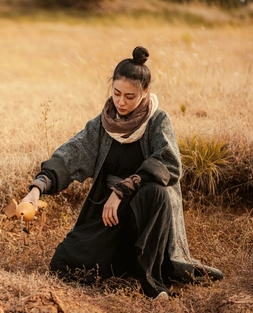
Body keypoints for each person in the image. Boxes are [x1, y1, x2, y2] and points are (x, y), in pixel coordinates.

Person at [21, 46, 223, 299]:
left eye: (130, 96)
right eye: (117, 93)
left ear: (145, 92)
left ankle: (153, 284)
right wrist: (37, 188)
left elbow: (169, 164)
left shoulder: (158, 121)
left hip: (147, 217)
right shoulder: (102, 123)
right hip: (112, 216)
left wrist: (121, 190)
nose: (121, 102)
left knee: (157, 192)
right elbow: (71, 155)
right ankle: (126, 266)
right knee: (63, 262)